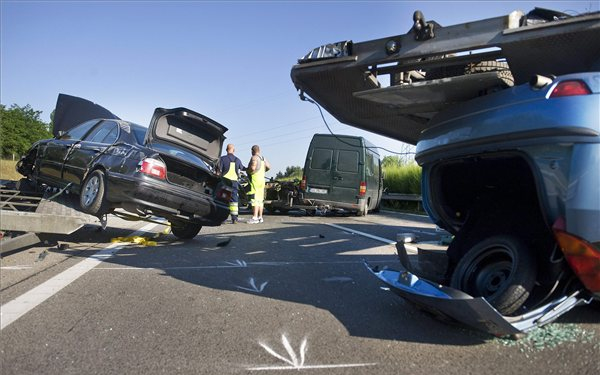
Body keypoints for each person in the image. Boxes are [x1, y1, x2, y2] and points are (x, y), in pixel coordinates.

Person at [217, 144, 245, 224]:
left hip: (225, 182)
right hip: (234, 183)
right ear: (234, 150)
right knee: (234, 201)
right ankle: (234, 218)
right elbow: (243, 168)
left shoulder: (222, 159)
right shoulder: (238, 160)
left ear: (226, 150)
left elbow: (219, 171)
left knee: (224, 199)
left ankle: (223, 219)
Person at [246, 144, 270, 224]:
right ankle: (260, 217)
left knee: (254, 199)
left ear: (252, 151)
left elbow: (253, 167)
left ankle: (254, 217)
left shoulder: (254, 158)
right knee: (260, 200)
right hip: (262, 180)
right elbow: (269, 167)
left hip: (255, 180)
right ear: (259, 150)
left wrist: (248, 171)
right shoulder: (263, 158)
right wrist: (263, 171)